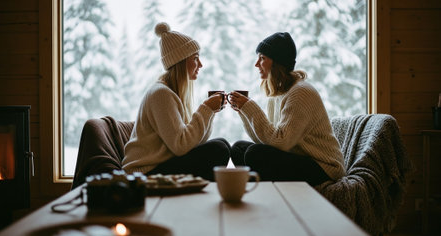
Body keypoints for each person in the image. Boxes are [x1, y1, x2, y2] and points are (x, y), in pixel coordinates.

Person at [228, 32, 345, 186]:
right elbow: (267, 141)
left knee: (254, 154)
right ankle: (261, 192)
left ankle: (263, 193)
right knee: (238, 149)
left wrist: (249, 108)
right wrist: (244, 112)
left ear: (277, 62)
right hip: (298, 157)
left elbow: (280, 143)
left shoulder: (300, 92)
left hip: (324, 166)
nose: (257, 64)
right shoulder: (278, 93)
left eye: (262, 58)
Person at [122, 22, 230, 181]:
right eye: (196, 59)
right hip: (144, 173)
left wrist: (210, 112)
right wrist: (206, 109)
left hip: (158, 165)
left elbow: (193, 142)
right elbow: (181, 146)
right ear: (181, 62)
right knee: (219, 149)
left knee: (222, 144)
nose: (200, 65)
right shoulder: (161, 94)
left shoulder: (171, 92)